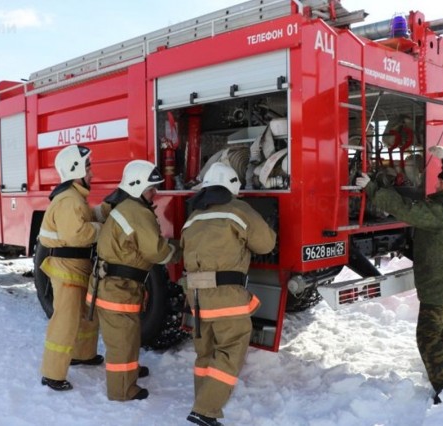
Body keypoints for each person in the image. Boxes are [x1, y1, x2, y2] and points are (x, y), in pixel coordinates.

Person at [355, 146, 443, 404]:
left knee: (427, 336)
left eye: (441, 181)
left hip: (440, 286)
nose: (438, 183)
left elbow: (407, 210)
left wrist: (372, 188)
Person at [181, 162, 276, 426]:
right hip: (226, 295)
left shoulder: (193, 216)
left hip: (195, 296)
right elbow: (266, 244)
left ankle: (202, 400)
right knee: (231, 349)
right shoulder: (238, 209)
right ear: (232, 186)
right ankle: (205, 410)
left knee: (205, 351)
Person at [88, 159, 180, 401]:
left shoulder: (127, 207)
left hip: (114, 285)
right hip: (117, 288)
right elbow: (157, 252)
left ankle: (128, 373)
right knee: (121, 340)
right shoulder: (138, 213)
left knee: (126, 334)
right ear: (138, 186)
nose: (155, 193)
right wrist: (179, 251)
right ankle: (121, 390)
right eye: (152, 189)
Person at [39, 144, 103, 391]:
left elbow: (84, 218)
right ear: (75, 169)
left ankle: (83, 354)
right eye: (88, 167)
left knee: (86, 316)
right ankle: (52, 373)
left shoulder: (75, 198)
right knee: (64, 321)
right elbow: (78, 234)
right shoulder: (68, 200)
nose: (92, 174)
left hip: (77, 267)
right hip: (67, 270)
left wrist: (104, 211)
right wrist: (102, 229)